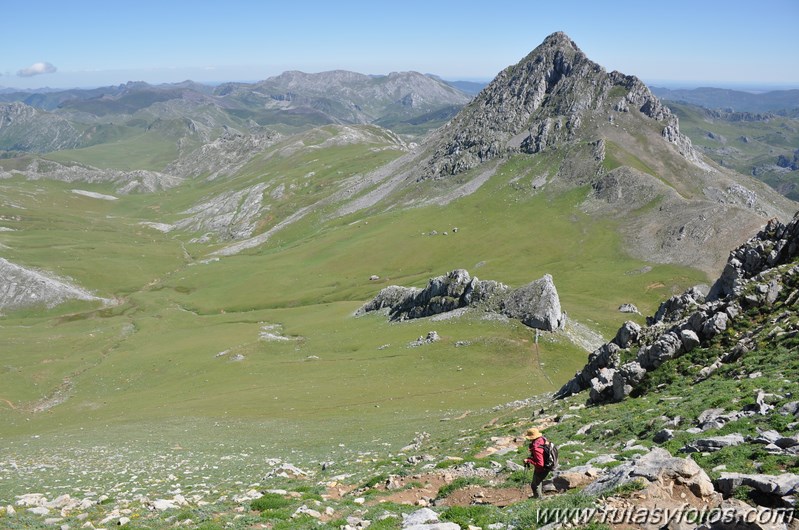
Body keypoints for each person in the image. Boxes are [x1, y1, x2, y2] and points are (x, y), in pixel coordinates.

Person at [523, 427, 550, 498]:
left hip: (542, 468)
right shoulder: (542, 439)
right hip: (547, 465)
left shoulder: (536, 448)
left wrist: (529, 460)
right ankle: (539, 497)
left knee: (534, 485)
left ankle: (538, 500)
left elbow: (540, 464)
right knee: (537, 482)